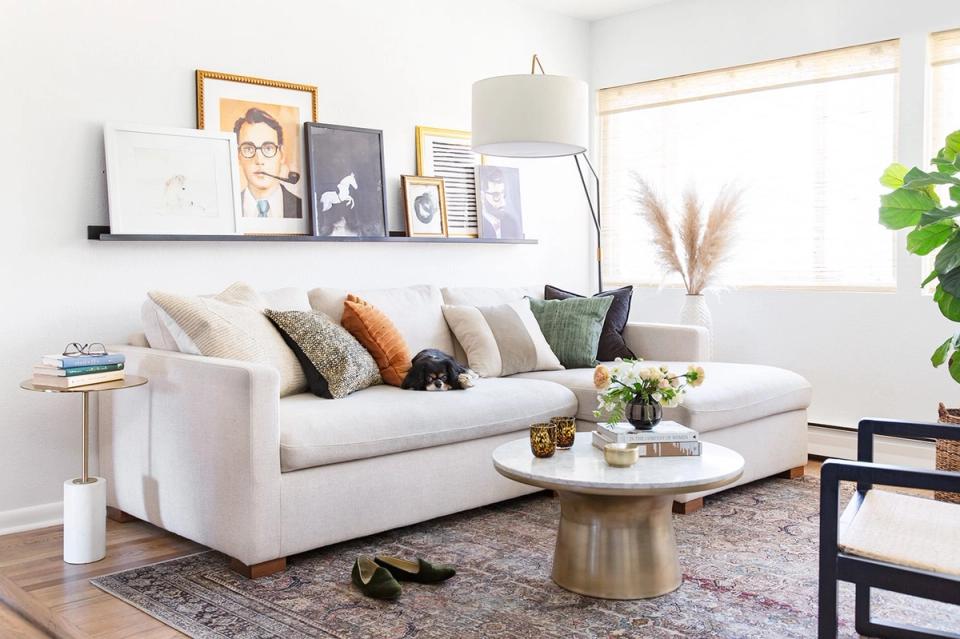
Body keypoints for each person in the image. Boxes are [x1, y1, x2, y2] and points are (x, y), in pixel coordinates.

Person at [233, 108, 301, 218]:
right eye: (249, 149)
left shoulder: (301, 208)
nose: (259, 161)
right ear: (238, 156)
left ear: (282, 155)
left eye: (268, 148)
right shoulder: (228, 209)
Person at [478, 167, 522, 239]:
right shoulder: (479, 225)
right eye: (496, 195)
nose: (503, 203)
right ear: (482, 196)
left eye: (503, 194)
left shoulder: (512, 223)